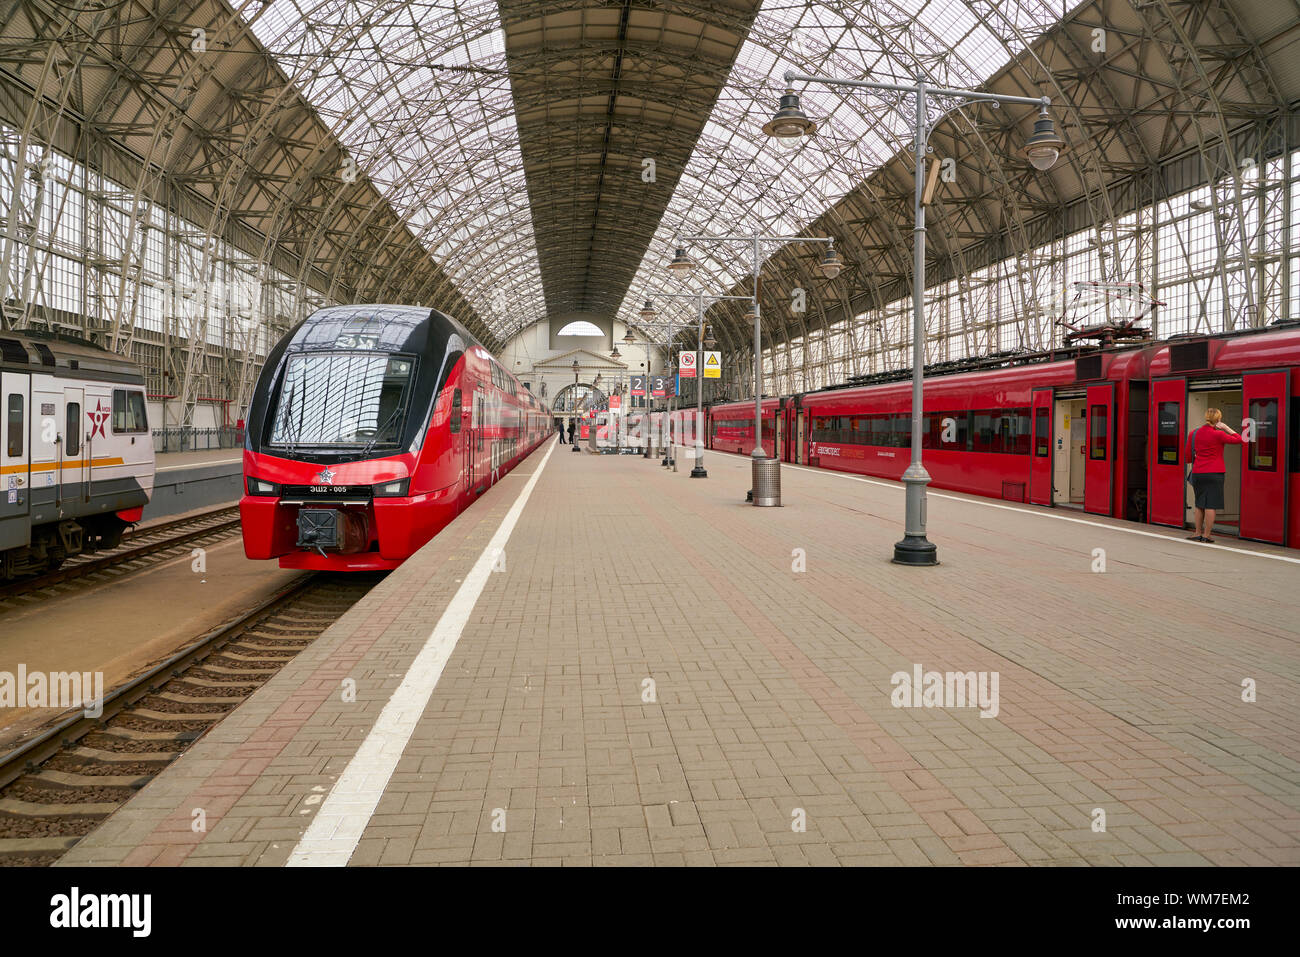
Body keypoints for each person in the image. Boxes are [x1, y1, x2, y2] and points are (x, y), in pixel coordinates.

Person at [1185, 408, 1244, 543]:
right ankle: (1207, 535)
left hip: (1198, 473)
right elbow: (1240, 439)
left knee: (1199, 504)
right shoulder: (1219, 434)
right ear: (1218, 419)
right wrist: (1226, 428)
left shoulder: (1193, 433)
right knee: (1210, 505)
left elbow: (1187, 457)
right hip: (1214, 473)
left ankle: (1197, 533)